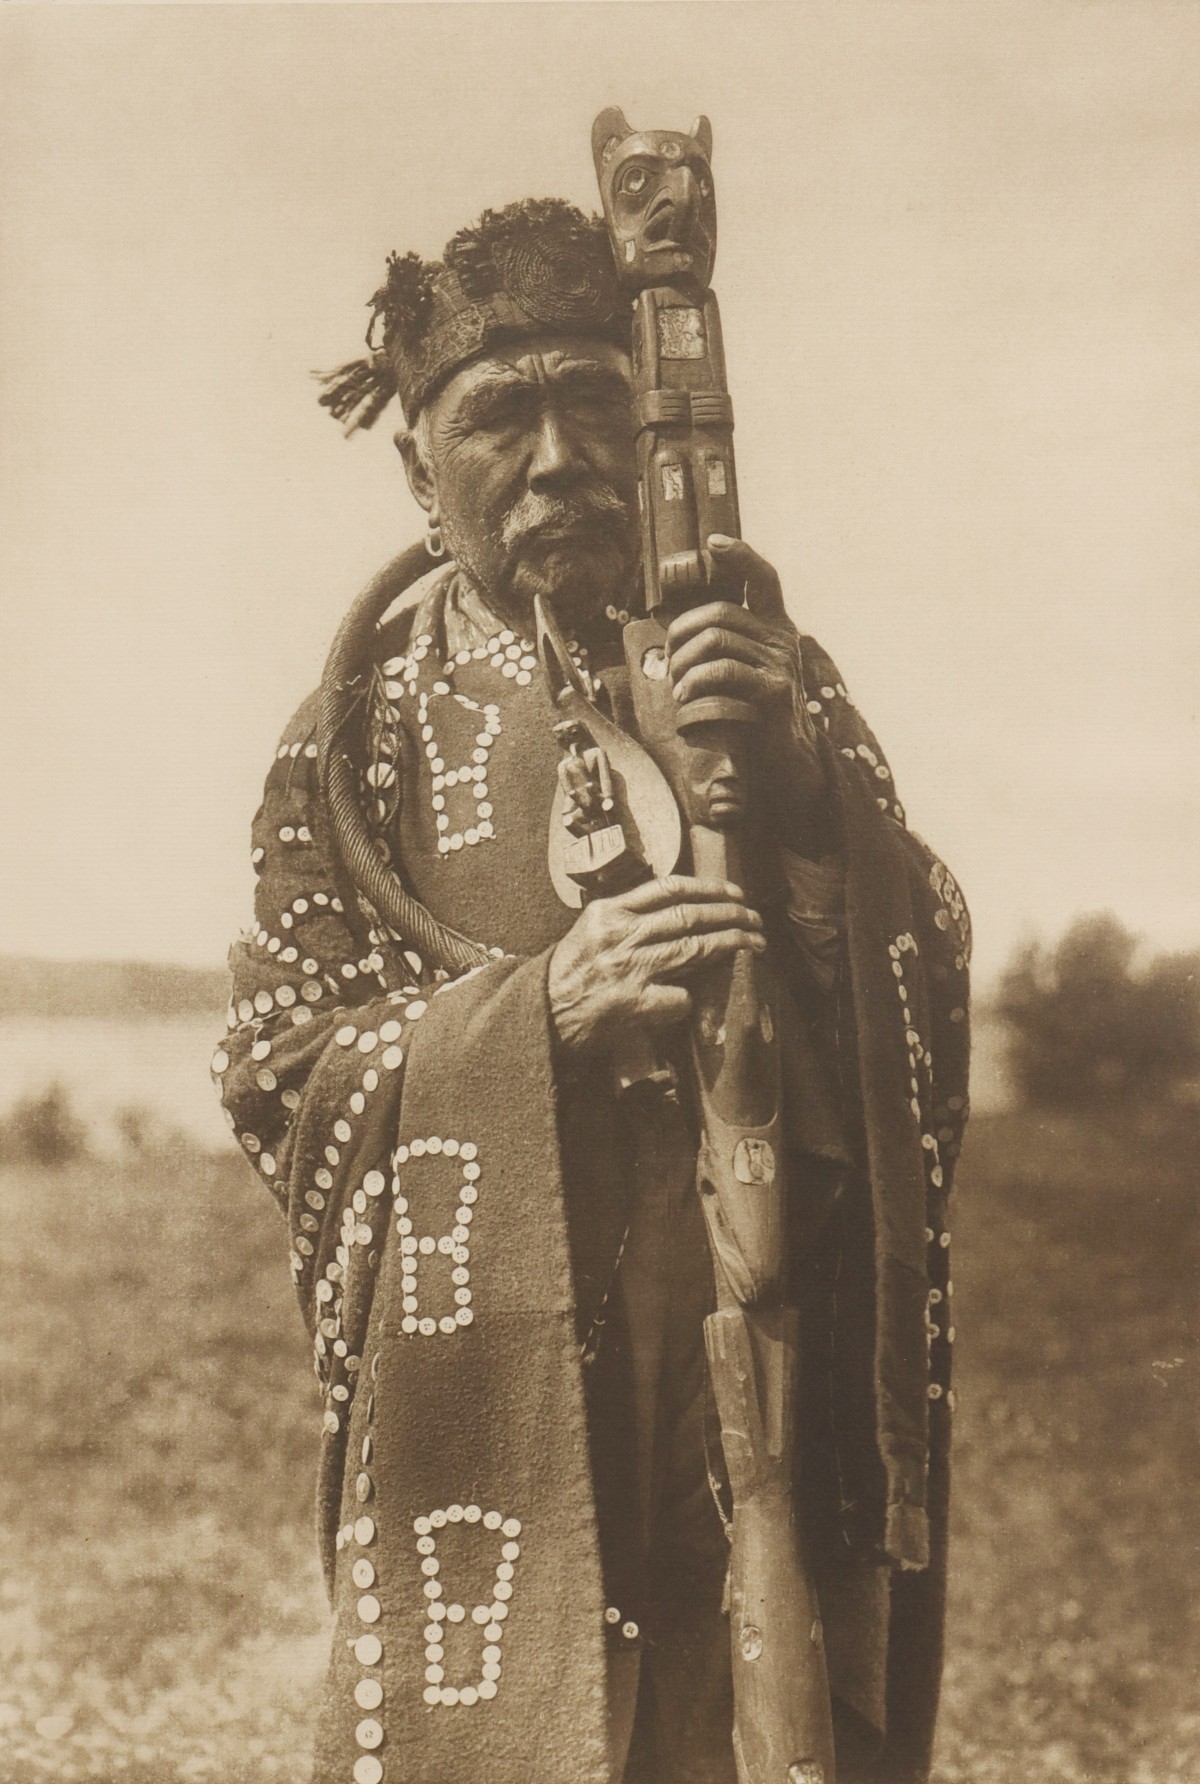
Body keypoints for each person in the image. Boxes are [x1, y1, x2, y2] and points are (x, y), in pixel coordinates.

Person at [214, 196, 971, 1784]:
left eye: (594, 402)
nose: (559, 456)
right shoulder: (354, 738)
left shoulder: (768, 674)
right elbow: (282, 1060)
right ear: (421, 467)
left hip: (760, 1334)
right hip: (498, 1364)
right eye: (501, 416)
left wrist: (809, 800)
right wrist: (533, 1023)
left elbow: (930, 968)